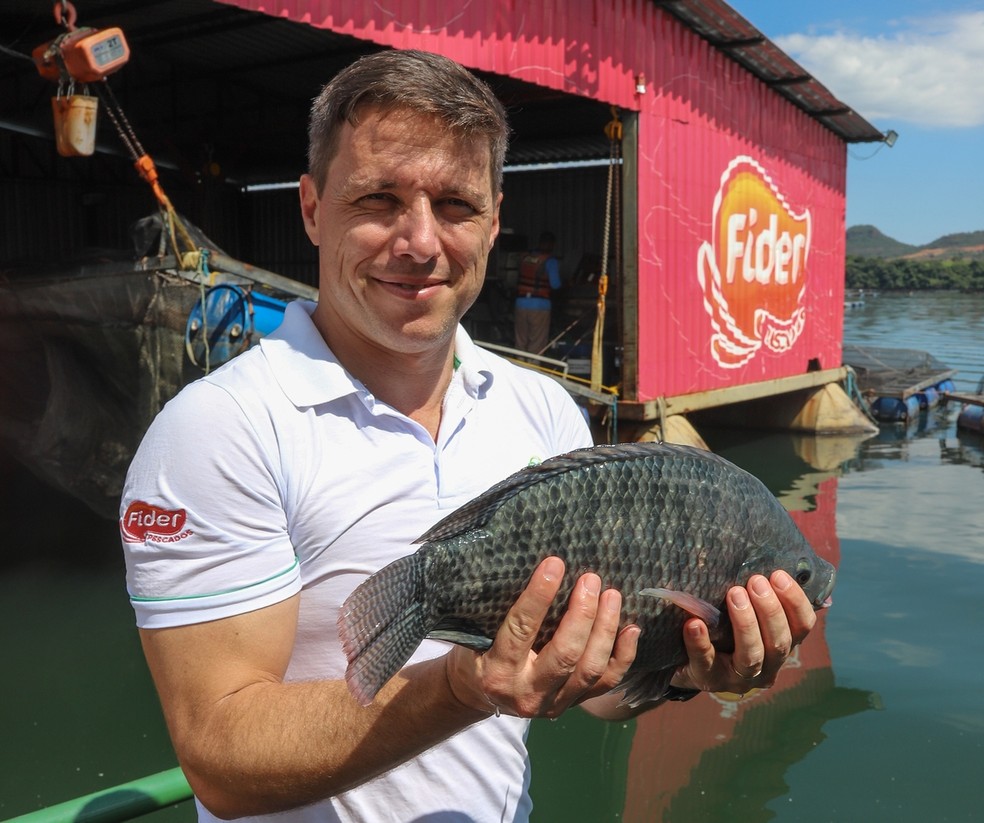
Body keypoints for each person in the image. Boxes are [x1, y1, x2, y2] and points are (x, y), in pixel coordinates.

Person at [120, 49, 818, 823]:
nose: (420, 242)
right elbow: (220, 760)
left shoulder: (545, 411)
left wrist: (691, 666)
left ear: (493, 218)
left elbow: (593, 693)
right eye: (379, 199)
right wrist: (459, 686)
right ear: (313, 208)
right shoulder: (217, 431)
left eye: (455, 205)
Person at [514, 230, 561, 355]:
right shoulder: (550, 261)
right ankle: (533, 371)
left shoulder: (525, 257)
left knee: (520, 342)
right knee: (536, 344)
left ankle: (518, 370)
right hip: (540, 306)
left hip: (520, 303)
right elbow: (555, 285)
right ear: (551, 244)